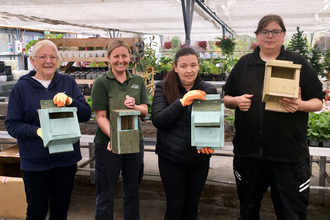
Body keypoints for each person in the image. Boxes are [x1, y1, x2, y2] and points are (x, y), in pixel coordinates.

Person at [223, 14, 325, 220]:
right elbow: (226, 97)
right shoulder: (244, 64)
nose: (270, 36)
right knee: (248, 210)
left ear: (283, 35)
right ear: (257, 36)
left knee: (291, 214)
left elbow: (318, 102)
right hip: (249, 155)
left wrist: (300, 105)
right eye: (264, 31)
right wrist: (236, 101)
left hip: (287, 157)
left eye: (275, 31)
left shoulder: (297, 63)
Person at [5, 39, 91, 220]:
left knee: (60, 211)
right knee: (36, 212)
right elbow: (12, 125)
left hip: (66, 160)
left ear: (58, 61)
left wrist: (70, 102)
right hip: (36, 162)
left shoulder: (68, 83)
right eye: (42, 57)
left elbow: (85, 114)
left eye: (53, 57)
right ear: (33, 60)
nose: (48, 61)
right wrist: (37, 131)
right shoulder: (21, 88)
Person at [151, 47, 218, 220]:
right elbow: (158, 120)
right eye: (183, 66)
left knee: (192, 205)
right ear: (175, 67)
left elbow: (212, 123)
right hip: (171, 158)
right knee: (175, 205)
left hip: (199, 159)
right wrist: (182, 102)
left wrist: (209, 142)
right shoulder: (163, 88)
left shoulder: (208, 90)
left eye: (193, 65)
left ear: (198, 66)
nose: (189, 70)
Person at [91, 39, 150, 220]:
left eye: (124, 55)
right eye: (116, 56)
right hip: (108, 144)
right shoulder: (101, 83)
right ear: (109, 58)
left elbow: (145, 111)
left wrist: (135, 107)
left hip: (133, 143)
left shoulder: (138, 81)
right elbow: (101, 117)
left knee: (132, 192)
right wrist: (116, 139)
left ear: (129, 57)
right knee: (106, 194)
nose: (120, 60)